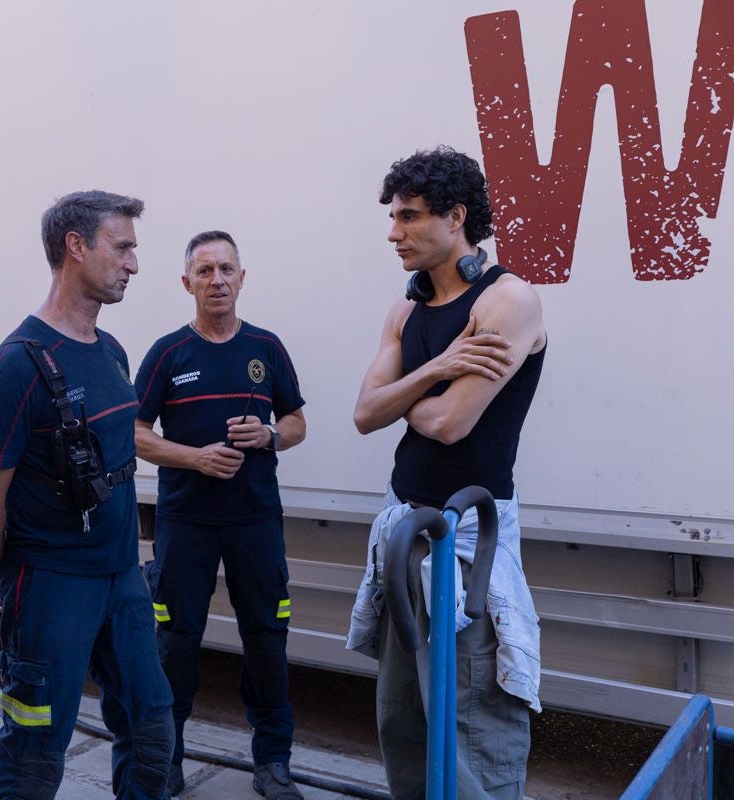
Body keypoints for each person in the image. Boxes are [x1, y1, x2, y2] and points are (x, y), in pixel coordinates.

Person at [0, 190, 174, 799]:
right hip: (52, 584)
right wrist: (17, 583)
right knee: (34, 747)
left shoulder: (110, 352)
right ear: (75, 247)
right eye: (122, 246)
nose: (133, 263)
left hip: (122, 580)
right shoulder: (15, 367)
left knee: (153, 726)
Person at [347, 145, 546, 799]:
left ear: (455, 216)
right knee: (404, 722)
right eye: (393, 217)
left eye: (408, 217)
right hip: (406, 533)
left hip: (467, 546)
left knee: (469, 722)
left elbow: (453, 423)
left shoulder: (507, 300)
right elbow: (364, 413)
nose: (393, 232)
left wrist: (407, 395)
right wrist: (434, 369)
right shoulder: (406, 312)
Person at [132, 230, 307, 799]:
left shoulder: (266, 348)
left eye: (226, 269)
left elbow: (299, 424)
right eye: (204, 271)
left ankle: (273, 762)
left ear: (242, 277)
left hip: (255, 520)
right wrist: (195, 458)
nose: (217, 281)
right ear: (187, 283)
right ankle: (168, 759)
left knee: (266, 637)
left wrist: (270, 435)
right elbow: (133, 433)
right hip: (187, 523)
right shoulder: (167, 353)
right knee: (176, 641)